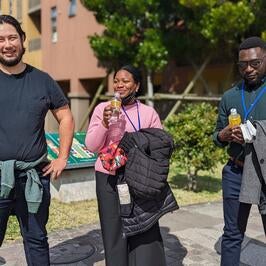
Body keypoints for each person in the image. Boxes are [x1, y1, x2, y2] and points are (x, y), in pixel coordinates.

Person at [0, 15, 74, 265]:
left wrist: (63, 157)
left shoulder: (43, 80)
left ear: (22, 40)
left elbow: (65, 117)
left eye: (12, 37)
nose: (7, 44)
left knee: (36, 239)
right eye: (0, 39)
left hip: (33, 176)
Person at [85, 65, 177, 266]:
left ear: (136, 86)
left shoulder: (148, 112)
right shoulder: (102, 109)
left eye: (125, 81)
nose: (119, 85)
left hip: (139, 175)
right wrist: (104, 124)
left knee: (144, 225)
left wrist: (135, 141)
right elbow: (91, 146)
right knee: (113, 229)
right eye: (116, 80)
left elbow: (159, 145)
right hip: (108, 176)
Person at [213, 36, 266, 266]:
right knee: (233, 234)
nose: (248, 69)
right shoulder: (230, 96)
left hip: (265, 172)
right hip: (237, 172)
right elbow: (216, 137)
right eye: (243, 64)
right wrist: (223, 135)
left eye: (255, 63)